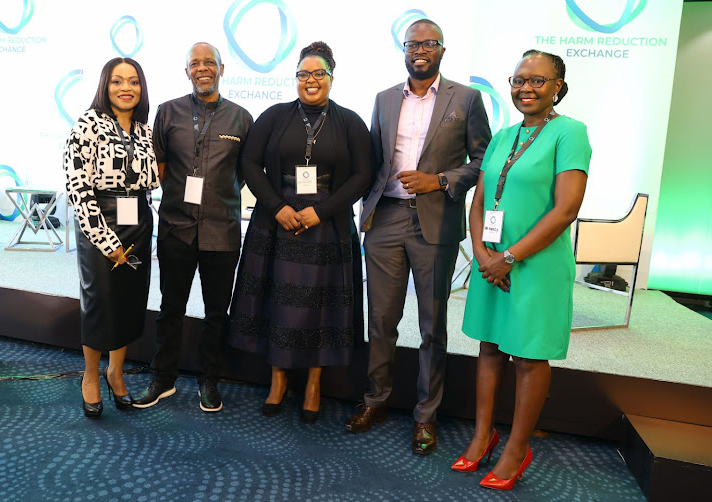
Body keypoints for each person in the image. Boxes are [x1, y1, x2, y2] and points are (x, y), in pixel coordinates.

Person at [344, 19, 491, 454]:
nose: (419, 50)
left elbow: (483, 158)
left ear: (442, 50)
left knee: (432, 325)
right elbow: (372, 157)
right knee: (382, 321)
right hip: (386, 218)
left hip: (434, 220)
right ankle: (376, 400)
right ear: (404, 50)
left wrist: (440, 180)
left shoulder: (466, 98)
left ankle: (425, 416)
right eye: (412, 44)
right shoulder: (385, 98)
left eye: (428, 43)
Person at [453, 50, 591, 490]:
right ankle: (482, 436)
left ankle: (517, 447)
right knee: (490, 349)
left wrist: (508, 257)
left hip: (534, 266)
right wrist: (481, 253)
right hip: (490, 264)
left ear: (558, 87)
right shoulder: (504, 135)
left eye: (537, 81)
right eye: (518, 80)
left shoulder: (570, 132)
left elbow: (566, 208)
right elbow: (478, 201)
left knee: (529, 357)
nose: (525, 89)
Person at [227, 41, 371, 424]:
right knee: (275, 304)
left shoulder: (350, 122)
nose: (311, 80)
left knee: (320, 310)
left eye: (318, 74)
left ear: (331, 78)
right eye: (303, 74)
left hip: (328, 228)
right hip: (276, 224)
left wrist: (320, 211)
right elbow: (251, 165)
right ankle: (277, 380)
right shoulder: (273, 116)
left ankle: (313, 384)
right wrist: (278, 208)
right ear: (296, 78)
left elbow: (362, 175)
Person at [132, 43, 253, 412]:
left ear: (221, 68)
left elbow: (246, 176)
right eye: (195, 64)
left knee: (217, 312)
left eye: (209, 63)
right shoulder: (168, 112)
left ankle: (209, 380)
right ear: (187, 71)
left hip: (222, 231)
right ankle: (163, 378)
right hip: (176, 229)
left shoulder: (241, 118)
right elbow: (159, 168)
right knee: (171, 308)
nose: (202, 68)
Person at [64, 57, 159, 418]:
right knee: (100, 302)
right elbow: (77, 187)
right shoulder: (87, 124)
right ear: (105, 86)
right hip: (98, 223)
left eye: (133, 81)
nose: (126, 88)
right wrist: (106, 240)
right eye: (117, 81)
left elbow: (148, 184)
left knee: (129, 302)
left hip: (137, 222)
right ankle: (90, 377)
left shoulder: (145, 130)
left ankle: (115, 372)